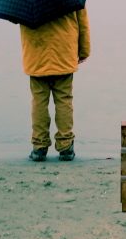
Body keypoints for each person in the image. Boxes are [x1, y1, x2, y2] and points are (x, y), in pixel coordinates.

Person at [19, 8, 90, 162]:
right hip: (63, 53)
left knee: (39, 101)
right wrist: (84, 50)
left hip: (36, 54)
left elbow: (16, 17)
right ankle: (66, 147)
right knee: (64, 100)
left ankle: (39, 147)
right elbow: (82, 22)